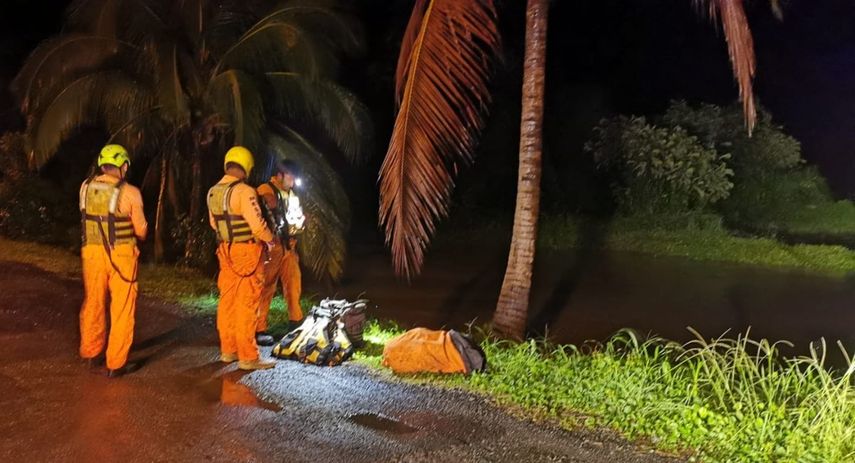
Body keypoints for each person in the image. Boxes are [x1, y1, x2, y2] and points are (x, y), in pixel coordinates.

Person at [79, 144, 147, 377]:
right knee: (122, 308)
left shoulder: (85, 187)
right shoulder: (130, 192)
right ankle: (116, 363)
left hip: (91, 253)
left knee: (93, 303)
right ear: (123, 165)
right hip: (121, 256)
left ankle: (91, 352)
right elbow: (141, 229)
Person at [207, 146, 276, 370]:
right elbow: (257, 225)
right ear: (245, 167)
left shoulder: (213, 192)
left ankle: (228, 351)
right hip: (247, 251)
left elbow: (213, 224)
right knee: (247, 303)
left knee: (227, 301)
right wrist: (270, 239)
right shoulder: (245, 191)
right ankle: (248, 356)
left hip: (225, 251)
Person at [256, 159, 306, 345]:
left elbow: (296, 217)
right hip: (272, 247)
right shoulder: (266, 189)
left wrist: (300, 221)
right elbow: (267, 209)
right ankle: (259, 328)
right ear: (281, 175)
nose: (293, 181)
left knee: (293, 283)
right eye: (291, 177)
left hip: (289, 246)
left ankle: (295, 321)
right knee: (266, 287)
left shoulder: (291, 193)